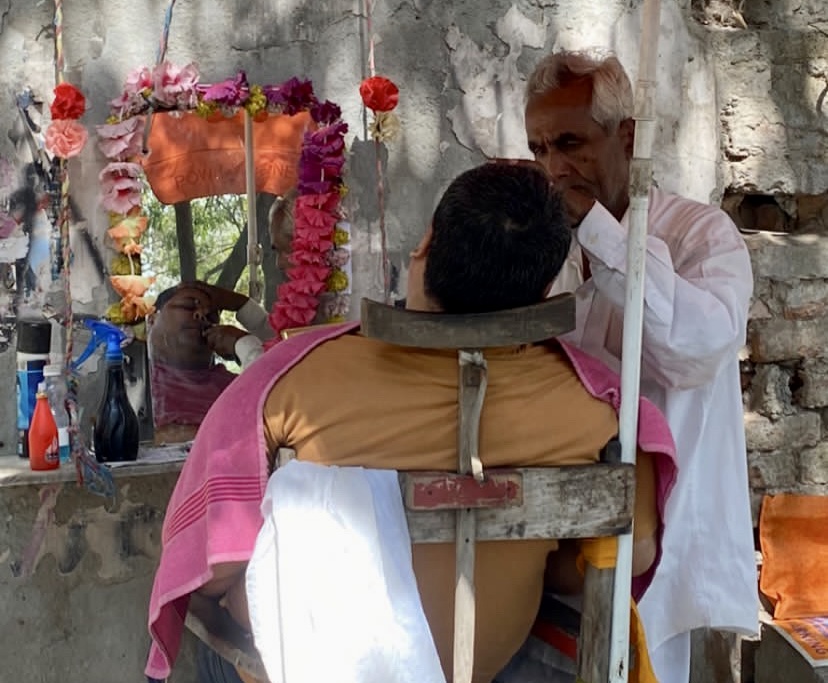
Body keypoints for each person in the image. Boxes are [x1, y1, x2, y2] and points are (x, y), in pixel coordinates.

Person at [145, 164, 677, 683]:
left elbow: (209, 564)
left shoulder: (289, 381)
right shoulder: (599, 405)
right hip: (483, 665)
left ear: (424, 245)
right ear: (543, 291)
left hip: (316, 667)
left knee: (215, 640)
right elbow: (631, 556)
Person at [519, 49, 757, 683]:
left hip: (659, 545)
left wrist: (597, 232)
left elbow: (694, 350)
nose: (553, 167)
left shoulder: (702, 236)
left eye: (570, 143)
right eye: (539, 149)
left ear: (626, 137)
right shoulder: (556, 247)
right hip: (568, 539)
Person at [147, 281, 274, 442]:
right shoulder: (134, 381)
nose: (201, 315)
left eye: (212, 315)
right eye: (188, 307)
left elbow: (273, 422)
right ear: (152, 320)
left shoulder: (234, 386)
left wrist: (245, 344)